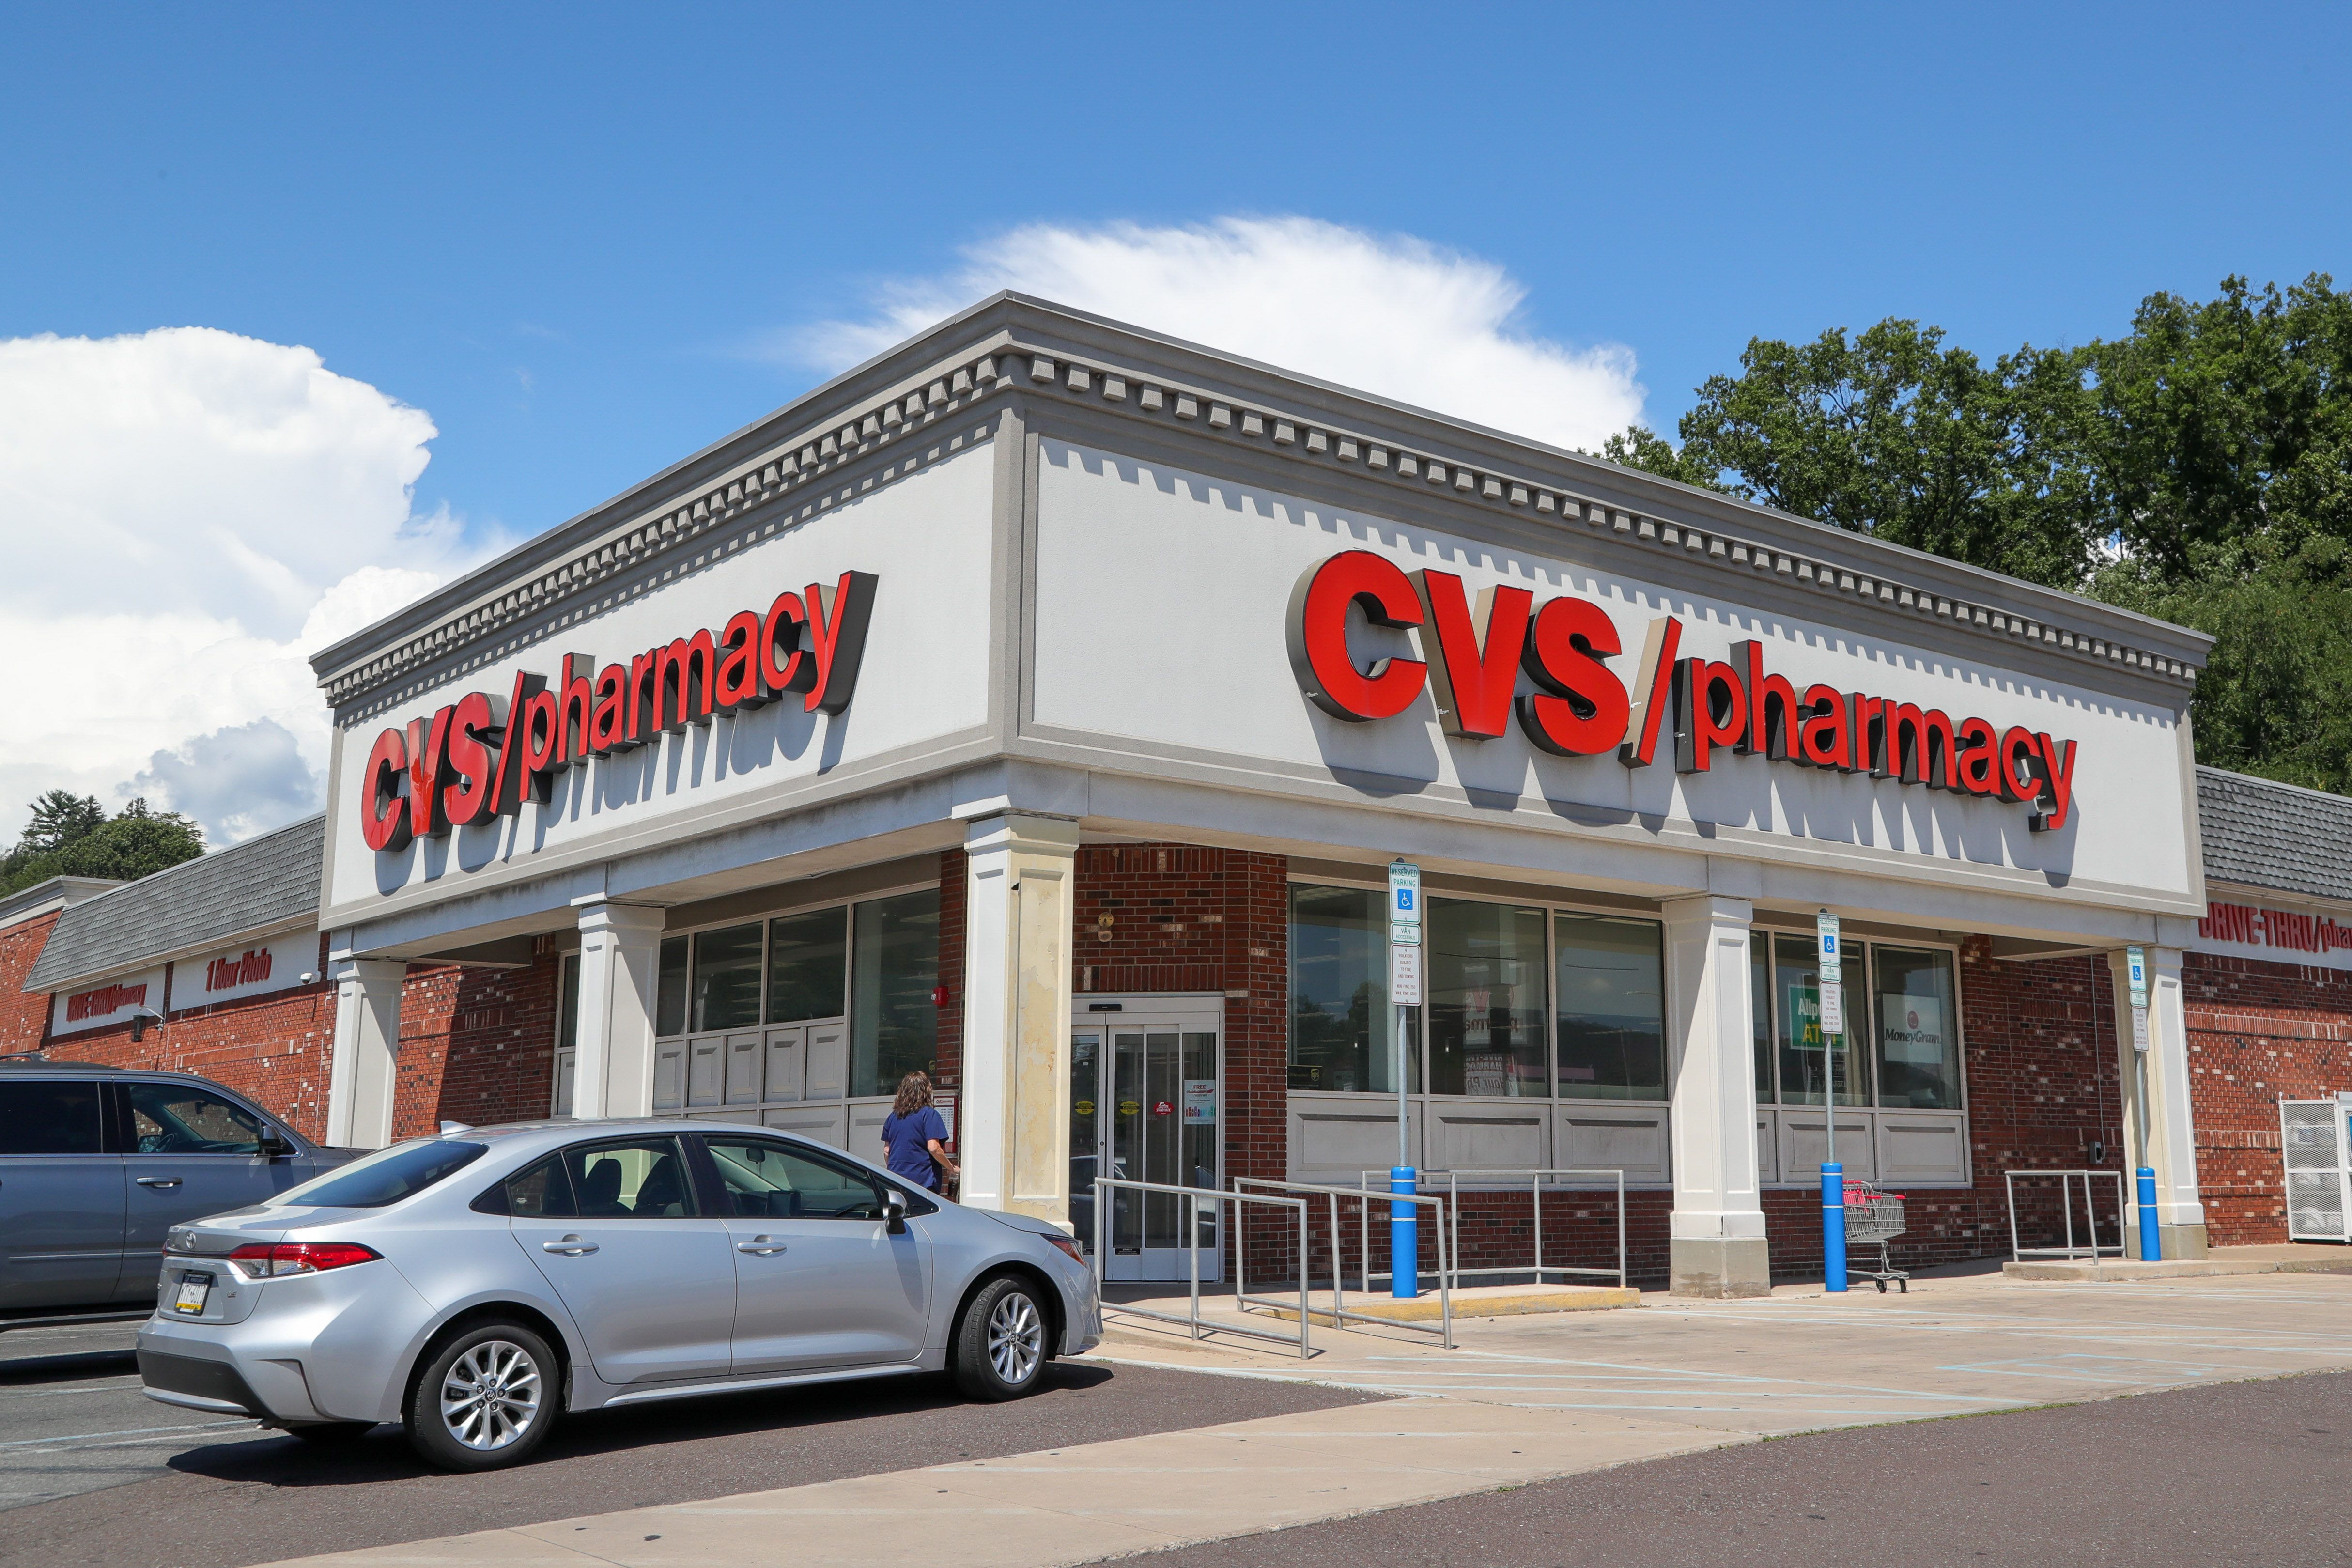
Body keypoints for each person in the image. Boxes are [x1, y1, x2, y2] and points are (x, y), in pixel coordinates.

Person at [881, 1071, 958, 1195]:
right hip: (923, 1184)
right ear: (926, 1091)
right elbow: (933, 1148)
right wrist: (951, 1168)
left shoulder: (893, 1117)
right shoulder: (929, 1115)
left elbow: (887, 1151)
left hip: (896, 1183)